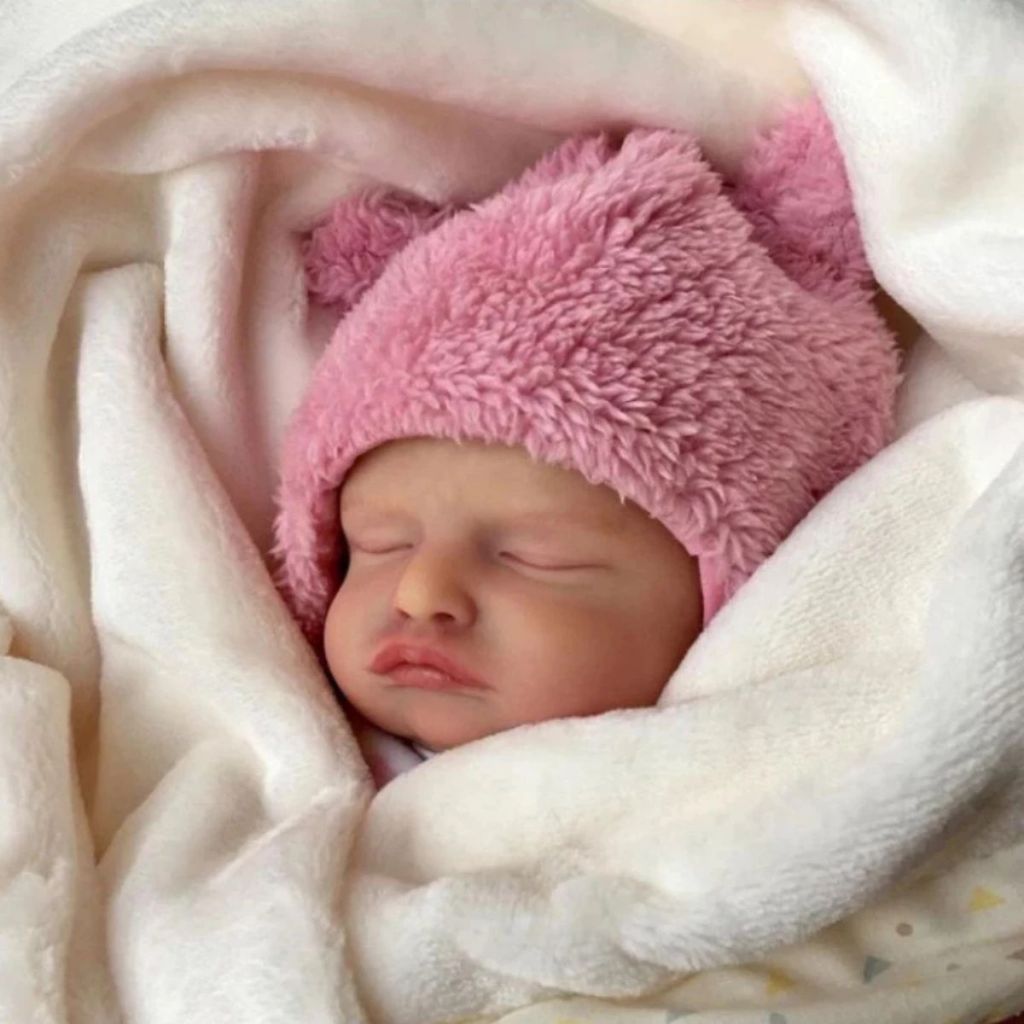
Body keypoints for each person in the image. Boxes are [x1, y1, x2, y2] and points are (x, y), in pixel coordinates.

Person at [274, 101, 901, 785]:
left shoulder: (782, 773)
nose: (420, 592)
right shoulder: (277, 756)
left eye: (535, 558)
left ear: (729, 594)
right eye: (377, 546)